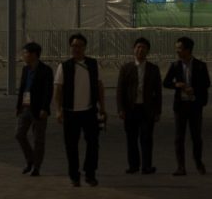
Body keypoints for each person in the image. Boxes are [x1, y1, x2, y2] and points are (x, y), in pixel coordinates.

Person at [53, 33, 107, 187]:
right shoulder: (64, 66)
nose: (76, 49)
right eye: (74, 46)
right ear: (70, 47)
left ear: (85, 47)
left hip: (90, 111)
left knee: (93, 144)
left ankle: (90, 174)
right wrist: (58, 110)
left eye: (79, 46)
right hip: (70, 112)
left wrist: (102, 107)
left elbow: (100, 86)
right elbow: (58, 90)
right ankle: (74, 175)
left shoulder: (93, 64)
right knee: (71, 145)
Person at [163, 35, 210, 177]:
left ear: (188, 50)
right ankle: (181, 166)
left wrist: (194, 89)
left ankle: (198, 161)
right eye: (176, 48)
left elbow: (206, 83)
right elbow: (166, 83)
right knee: (179, 137)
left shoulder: (200, 66)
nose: (177, 51)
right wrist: (177, 85)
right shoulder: (175, 65)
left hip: (195, 105)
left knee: (196, 136)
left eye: (180, 48)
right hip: (180, 106)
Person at [116, 36, 162, 175]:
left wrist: (157, 111)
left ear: (148, 51)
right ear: (133, 50)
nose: (140, 50)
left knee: (146, 138)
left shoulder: (153, 69)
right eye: (138, 47)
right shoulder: (126, 68)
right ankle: (133, 165)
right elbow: (120, 90)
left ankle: (147, 166)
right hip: (131, 109)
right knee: (131, 138)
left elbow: (158, 92)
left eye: (143, 48)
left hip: (147, 109)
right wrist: (120, 109)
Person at [16, 41, 53, 176]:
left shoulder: (46, 70)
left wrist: (44, 108)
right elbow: (22, 88)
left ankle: (36, 166)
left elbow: (48, 91)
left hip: (39, 109)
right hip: (25, 107)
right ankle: (30, 159)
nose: (23, 55)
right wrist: (18, 106)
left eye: (25, 53)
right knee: (19, 135)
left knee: (38, 139)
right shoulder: (25, 69)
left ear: (34, 55)